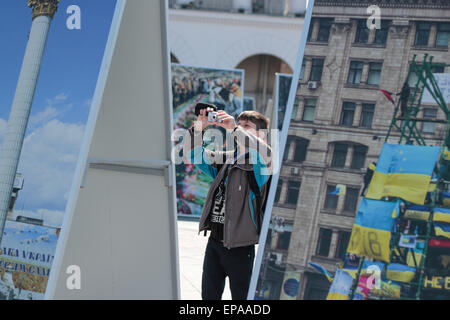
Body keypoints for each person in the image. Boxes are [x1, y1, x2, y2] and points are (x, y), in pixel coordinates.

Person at [185, 107, 272, 300]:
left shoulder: (261, 164)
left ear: (261, 135)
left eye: (246, 126)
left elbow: (263, 151)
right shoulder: (226, 159)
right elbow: (193, 155)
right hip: (215, 242)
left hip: (240, 248)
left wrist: (233, 128)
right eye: (239, 124)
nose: (239, 128)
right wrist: (199, 127)